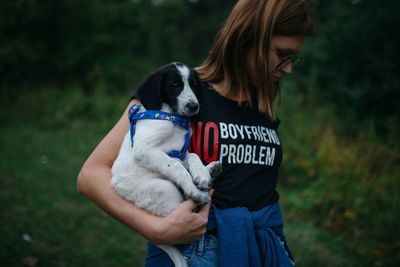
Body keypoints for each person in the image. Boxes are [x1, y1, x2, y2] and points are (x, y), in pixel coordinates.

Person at [77, 0, 314, 266]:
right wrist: (157, 230)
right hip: (194, 253)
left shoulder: (263, 105)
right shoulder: (179, 93)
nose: (288, 68)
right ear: (248, 37)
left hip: (263, 251)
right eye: (283, 54)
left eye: (293, 57)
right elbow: (91, 174)